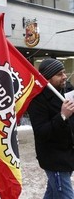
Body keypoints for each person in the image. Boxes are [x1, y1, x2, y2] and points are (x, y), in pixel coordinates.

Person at [27, 58, 74, 198]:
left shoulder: (67, 91)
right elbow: (41, 132)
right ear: (47, 78)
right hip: (54, 159)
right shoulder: (37, 100)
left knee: (53, 193)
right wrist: (62, 116)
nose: (64, 76)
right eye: (59, 74)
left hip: (68, 155)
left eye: (64, 73)